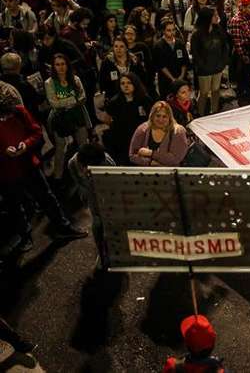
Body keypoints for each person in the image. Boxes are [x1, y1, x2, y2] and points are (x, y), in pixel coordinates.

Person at [0, 85, 87, 252]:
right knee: (15, 206)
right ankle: (25, 237)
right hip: (6, 171)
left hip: (27, 164)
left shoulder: (18, 111)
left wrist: (25, 144)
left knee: (47, 198)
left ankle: (63, 228)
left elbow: (37, 132)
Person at [45, 53, 92, 184]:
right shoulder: (49, 83)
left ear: (67, 65)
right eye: (57, 65)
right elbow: (54, 103)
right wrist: (72, 100)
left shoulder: (75, 79)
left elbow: (83, 98)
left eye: (63, 64)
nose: (61, 67)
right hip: (59, 118)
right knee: (60, 147)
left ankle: (85, 172)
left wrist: (66, 102)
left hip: (77, 115)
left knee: (83, 145)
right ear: (53, 67)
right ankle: (58, 177)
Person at [103, 72, 153, 166]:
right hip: (121, 138)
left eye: (129, 83)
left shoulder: (144, 99)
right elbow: (106, 119)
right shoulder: (114, 102)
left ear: (135, 83)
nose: (126, 86)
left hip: (141, 137)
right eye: (123, 83)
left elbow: (152, 117)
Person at [190, 6, 230, 115]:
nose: (217, 17)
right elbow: (195, 53)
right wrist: (203, 66)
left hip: (217, 66)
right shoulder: (197, 34)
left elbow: (225, 47)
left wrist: (222, 63)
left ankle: (214, 112)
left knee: (216, 90)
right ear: (207, 17)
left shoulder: (218, 30)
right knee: (204, 93)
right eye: (215, 15)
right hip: (204, 69)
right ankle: (200, 114)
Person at [128, 100, 188, 167]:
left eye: (164, 116)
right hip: (145, 174)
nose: (161, 120)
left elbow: (175, 159)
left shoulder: (178, 131)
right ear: (152, 116)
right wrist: (150, 163)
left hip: (169, 175)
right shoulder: (142, 129)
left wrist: (151, 153)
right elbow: (132, 155)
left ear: (169, 118)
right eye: (158, 116)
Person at [227, 0, 250, 102]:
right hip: (243, 54)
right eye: (249, 7)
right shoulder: (236, 20)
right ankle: (243, 100)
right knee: (243, 80)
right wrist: (244, 56)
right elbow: (237, 42)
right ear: (242, 7)